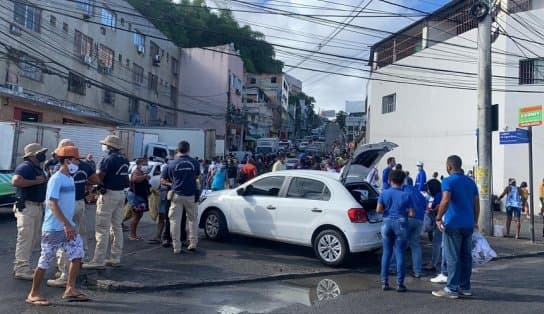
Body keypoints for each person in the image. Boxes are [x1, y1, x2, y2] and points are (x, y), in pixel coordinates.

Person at [26, 145, 89, 306]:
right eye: (76, 160)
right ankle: (33, 293)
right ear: (67, 161)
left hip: (67, 227)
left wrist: (69, 224)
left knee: (77, 255)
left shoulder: (69, 178)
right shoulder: (56, 178)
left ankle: (70, 289)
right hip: (54, 229)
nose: (78, 163)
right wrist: (67, 224)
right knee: (45, 261)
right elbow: (52, 204)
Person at [47, 139, 98, 288]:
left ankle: (64, 273)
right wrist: (87, 186)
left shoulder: (58, 168)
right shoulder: (84, 166)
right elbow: (95, 180)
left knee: (64, 237)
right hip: (80, 203)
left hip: (64, 205)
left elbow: (53, 196)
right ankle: (78, 263)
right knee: (79, 235)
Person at [433, 155, 479, 299]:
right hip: (468, 224)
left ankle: (451, 288)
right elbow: (476, 204)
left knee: (452, 257)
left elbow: (445, 200)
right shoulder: (471, 182)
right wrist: (475, 221)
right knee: (466, 257)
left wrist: (439, 217)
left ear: (449, 167)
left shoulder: (447, 181)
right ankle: (465, 287)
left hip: (453, 224)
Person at [84, 135, 129, 269]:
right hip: (121, 194)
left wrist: (93, 187)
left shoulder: (108, 159)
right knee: (117, 226)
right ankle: (115, 257)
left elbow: (98, 177)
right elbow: (127, 180)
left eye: (105, 144)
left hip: (108, 194)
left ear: (109, 147)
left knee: (102, 228)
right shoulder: (124, 160)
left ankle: (98, 260)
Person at [11, 143, 48, 280]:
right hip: (27, 206)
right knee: (25, 238)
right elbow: (16, 181)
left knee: (32, 238)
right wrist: (35, 182)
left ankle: (24, 265)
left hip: (36, 207)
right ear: (32, 155)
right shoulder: (25, 167)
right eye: (40, 153)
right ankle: (21, 268)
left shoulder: (37, 168)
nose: (43, 155)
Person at [376, 170, 414, 292]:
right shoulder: (406, 195)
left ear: (390, 180)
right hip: (401, 223)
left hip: (386, 223)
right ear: (403, 181)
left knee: (386, 253)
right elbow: (412, 213)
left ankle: (384, 282)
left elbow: (378, 210)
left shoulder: (384, 193)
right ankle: (400, 284)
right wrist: (405, 211)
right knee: (400, 253)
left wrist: (388, 211)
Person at [161, 141, 200, 254]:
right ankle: (193, 243)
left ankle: (176, 246)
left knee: (174, 221)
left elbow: (165, 179)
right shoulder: (194, 162)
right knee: (192, 219)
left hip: (176, 194)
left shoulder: (172, 164)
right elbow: (197, 176)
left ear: (178, 150)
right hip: (191, 195)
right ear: (188, 149)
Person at [403, 184, 426, 278]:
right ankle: (417, 271)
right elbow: (425, 206)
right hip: (419, 220)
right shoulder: (419, 193)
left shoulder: (402, 191)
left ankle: (394, 268)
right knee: (416, 245)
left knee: (399, 244)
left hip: (407, 219)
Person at [127, 159, 151, 241]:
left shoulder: (141, 172)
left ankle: (134, 234)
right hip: (135, 196)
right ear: (139, 164)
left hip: (140, 196)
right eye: (145, 164)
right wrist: (144, 177)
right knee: (136, 215)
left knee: (139, 215)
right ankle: (132, 235)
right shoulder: (136, 171)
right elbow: (134, 179)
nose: (146, 165)